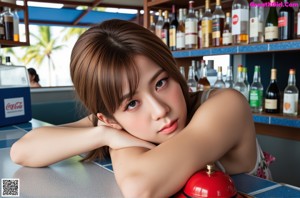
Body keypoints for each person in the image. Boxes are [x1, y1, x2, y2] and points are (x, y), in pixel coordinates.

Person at [10, 19, 273, 197]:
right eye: (132, 102)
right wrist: (104, 135)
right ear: (107, 117)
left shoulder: (225, 106)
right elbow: (22, 151)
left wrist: (116, 138)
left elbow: (141, 186)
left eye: (160, 82)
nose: (160, 110)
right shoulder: (112, 125)